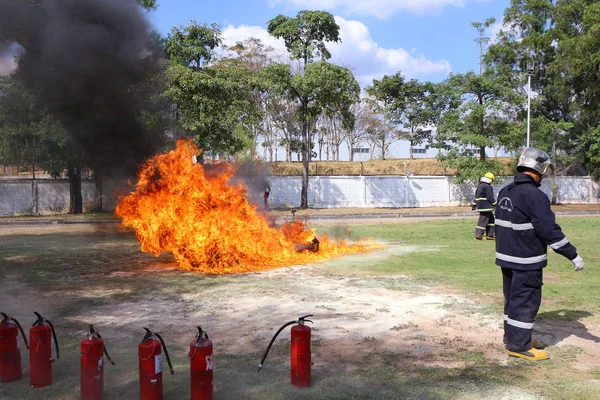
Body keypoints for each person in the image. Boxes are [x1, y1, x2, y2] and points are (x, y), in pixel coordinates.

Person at [494, 147, 585, 361]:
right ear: (538, 168)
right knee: (525, 303)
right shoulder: (535, 196)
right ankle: (518, 346)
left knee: (512, 301)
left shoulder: (506, 191)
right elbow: (549, 231)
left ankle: (513, 337)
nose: (544, 175)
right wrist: (572, 254)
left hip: (506, 259)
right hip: (526, 262)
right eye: (544, 171)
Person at [472, 172, 496, 240]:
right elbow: (490, 197)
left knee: (491, 220)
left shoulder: (480, 185)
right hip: (486, 207)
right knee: (483, 221)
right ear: (490, 179)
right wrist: (495, 204)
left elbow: (476, 196)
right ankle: (478, 236)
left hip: (482, 206)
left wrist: (474, 205)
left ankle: (490, 235)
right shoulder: (488, 186)